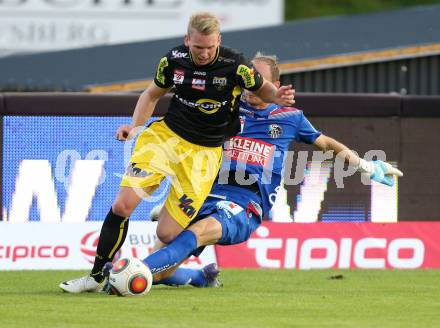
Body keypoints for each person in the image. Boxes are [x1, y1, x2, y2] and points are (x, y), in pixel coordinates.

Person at [118, 53, 403, 289]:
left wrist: (365, 165)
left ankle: (128, 271)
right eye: (248, 79)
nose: (251, 86)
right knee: (162, 268)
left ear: (274, 85)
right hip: (205, 190)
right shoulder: (227, 106)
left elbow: (326, 143)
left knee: (198, 232)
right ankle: (199, 278)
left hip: (245, 200)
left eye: (260, 81)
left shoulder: (290, 117)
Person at [60, 12, 295, 293]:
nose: (205, 53)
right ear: (187, 40)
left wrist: (277, 97)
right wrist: (136, 127)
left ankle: (195, 275)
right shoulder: (173, 60)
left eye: (210, 47)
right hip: (165, 139)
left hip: (204, 155)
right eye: (198, 47)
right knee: (123, 206)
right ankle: (96, 277)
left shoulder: (236, 65)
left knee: (167, 233)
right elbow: (151, 95)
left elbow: (264, 88)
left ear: (219, 40)